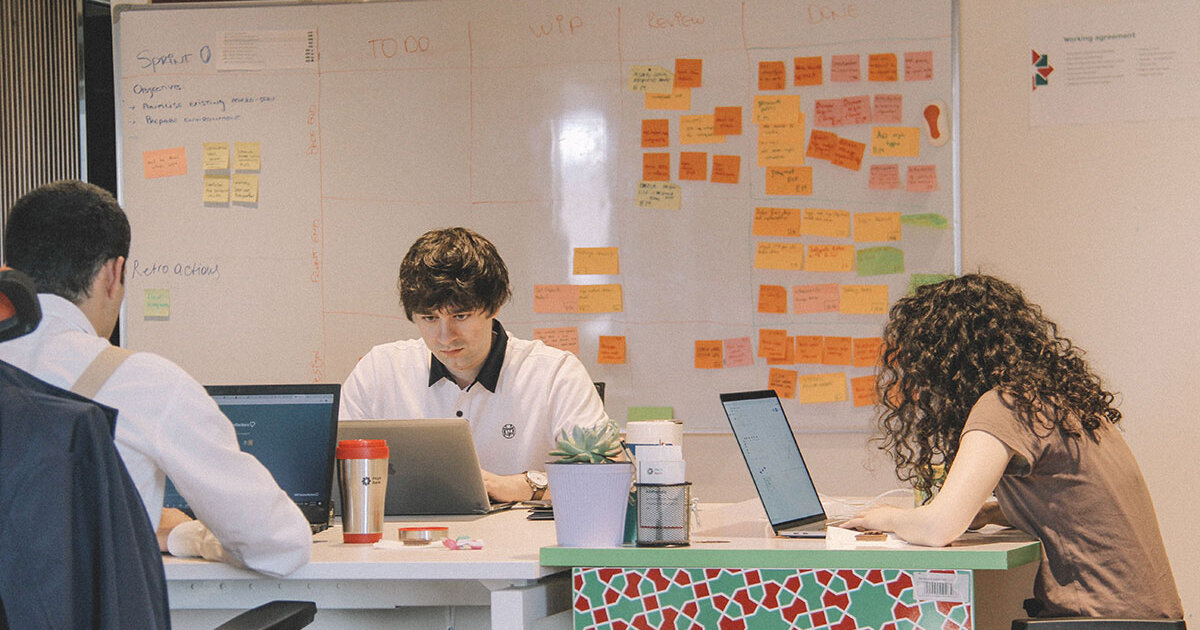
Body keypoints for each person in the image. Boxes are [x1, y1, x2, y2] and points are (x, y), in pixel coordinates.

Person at [0, 180, 311, 577]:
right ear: (115, 273)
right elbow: (280, 545)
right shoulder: (147, 385)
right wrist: (186, 535)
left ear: (9, 272)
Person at [842, 274, 1182, 619]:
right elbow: (1070, 501)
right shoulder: (1063, 400)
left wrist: (883, 519)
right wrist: (990, 512)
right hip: (1147, 616)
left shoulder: (1005, 405)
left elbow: (937, 528)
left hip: (1103, 622)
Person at [339, 227, 610, 502]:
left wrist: (524, 485)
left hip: (521, 543)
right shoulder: (379, 371)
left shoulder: (555, 374)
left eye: (460, 315)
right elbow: (332, 476)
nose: (445, 337)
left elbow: (608, 478)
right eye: (429, 318)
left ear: (495, 306)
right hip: (405, 541)